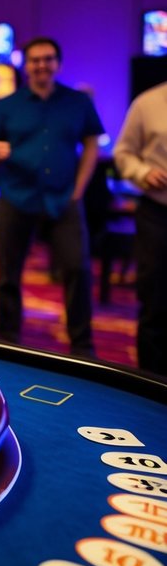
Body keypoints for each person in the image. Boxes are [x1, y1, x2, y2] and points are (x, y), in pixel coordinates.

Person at [0, 37, 103, 355]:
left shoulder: (77, 102)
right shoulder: (7, 105)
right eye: (35, 60)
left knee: (77, 268)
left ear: (57, 64)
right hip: (16, 196)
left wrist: (79, 187)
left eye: (48, 59)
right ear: (26, 66)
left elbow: (92, 142)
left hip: (64, 197)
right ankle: (7, 341)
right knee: (9, 273)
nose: (41, 65)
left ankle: (82, 346)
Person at [113, 80, 167, 375]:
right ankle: (153, 383)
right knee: (155, 301)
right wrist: (143, 172)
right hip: (158, 212)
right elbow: (124, 154)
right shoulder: (147, 102)